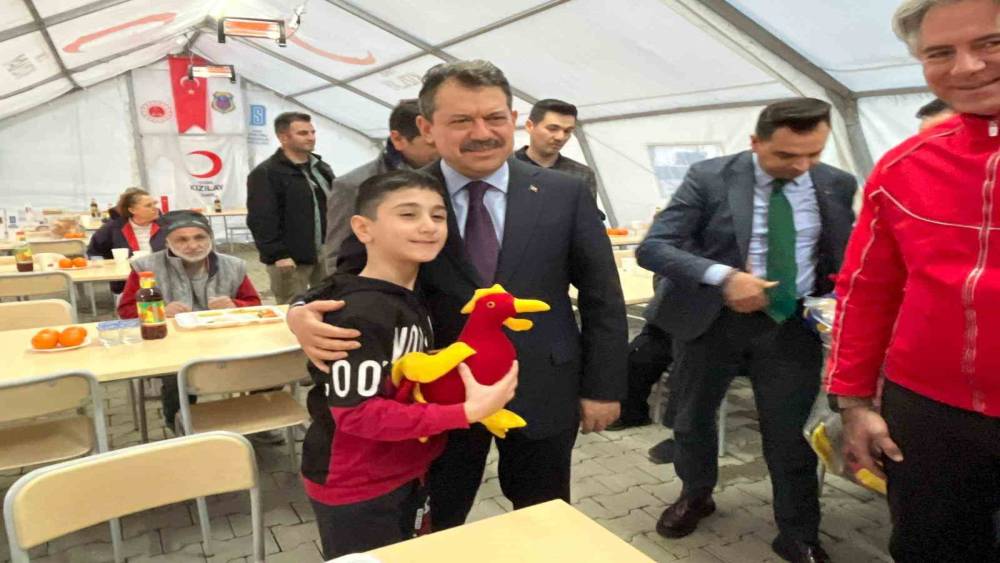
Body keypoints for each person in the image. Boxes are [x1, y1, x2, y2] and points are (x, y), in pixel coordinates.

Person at [288, 60, 628, 531]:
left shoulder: (564, 192)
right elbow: (349, 272)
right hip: (437, 395)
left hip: (544, 384)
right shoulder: (405, 196)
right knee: (440, 517)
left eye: (494, 117)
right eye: (462, 120)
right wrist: (299, 310)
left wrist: (604, 388)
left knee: (545, 516)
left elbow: (601, 295)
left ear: (514, 119)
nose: (482, 133)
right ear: (427, 127)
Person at [637, 98, 857, 563]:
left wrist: (838, 299)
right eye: (786, 155)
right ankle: (696, 494)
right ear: (756, 142)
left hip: (789, 325)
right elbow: (655, 247)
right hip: (709, 321)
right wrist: (724, 277)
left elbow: (845, 254)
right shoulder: (709, 177)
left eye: (813, 154)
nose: (801, 167)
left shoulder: (836, 183)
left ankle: (797, 531)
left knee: (791, 433)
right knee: (693, 419)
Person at [827, 1, 1000, 560]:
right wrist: (854, 404)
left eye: (991, 43)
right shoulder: (903, 167)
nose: (966, 67)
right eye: (940, 53)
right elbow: (865, 291)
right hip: (927, 413)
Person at [301, 169, 519, 558]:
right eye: (408, 214)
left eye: (438, 216)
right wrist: (468, 411)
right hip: (357, 483)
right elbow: (357, 415)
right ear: (363, 228)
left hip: (406, 469)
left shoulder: (410, 295)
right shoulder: (359, 312)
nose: (428, 226)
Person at [118, 210, 262, 433]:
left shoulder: (233, 265)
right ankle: (180, 428)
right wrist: (159, 311)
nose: (193, 245)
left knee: (267, 361)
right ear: (167, 242)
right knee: (176, 375)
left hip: (226, 342)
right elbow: (125, 311)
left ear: (210, 238)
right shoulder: (146, 268)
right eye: (182, 240)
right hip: (171, 347)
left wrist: (235, 305)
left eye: (199, 237)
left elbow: (254, 304)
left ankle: (258, 419)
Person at [324, 99, 438, 272]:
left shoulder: (455, 175)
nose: (442, 149)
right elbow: (337, 255)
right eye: (432, 144)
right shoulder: (354, 185)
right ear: (398, 139)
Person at [247, 112, 335, 304]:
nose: (311, 137)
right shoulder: (266, 173)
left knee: (330, 302)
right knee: (292, 307)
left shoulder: (321, 168)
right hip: (290, 258)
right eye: (303, 133)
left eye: (312, 132)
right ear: (283, 137)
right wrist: (278, 255)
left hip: (325, 251)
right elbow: (261, 218)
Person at [514, 98, 599, 200]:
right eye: (553, 129)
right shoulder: (505, 166)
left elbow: (586, 210)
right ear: (529, 126)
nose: (560, 137)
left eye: (567, 131)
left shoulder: (581, 175)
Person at [86, 187, 165, 294]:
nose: (155, 208)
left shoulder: (166, 225)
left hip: (163, 280)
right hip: (126, 283)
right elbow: (94, 252)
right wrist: (104, 266)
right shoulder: (113, 228)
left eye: (155, 204)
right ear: (132, 210)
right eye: (148, 205)